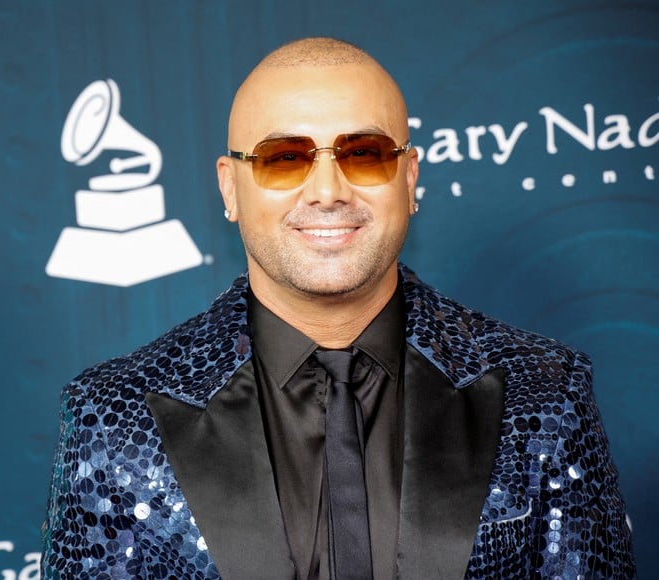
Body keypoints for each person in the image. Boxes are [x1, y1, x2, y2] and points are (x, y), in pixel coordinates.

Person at [41, 37, 635, 579]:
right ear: (229, 188)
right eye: (284, 158)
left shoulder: (546, 390)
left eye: (365, 153)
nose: (328, 191)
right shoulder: (112, 417)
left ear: (409, 178)